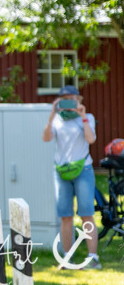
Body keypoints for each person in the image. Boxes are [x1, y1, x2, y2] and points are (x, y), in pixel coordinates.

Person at [42, 84, 99, 269]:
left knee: (86, 214)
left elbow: (91, 139)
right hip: (61, 171)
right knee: (65, 216)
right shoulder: (57, 119)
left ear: (78, 100)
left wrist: (82, 117)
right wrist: (51, 115)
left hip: (84, 170)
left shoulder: (87, 117)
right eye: (64, 98)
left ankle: (92, 257)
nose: (69, 101)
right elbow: (46, 138)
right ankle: (67, 258)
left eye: (72, 98)